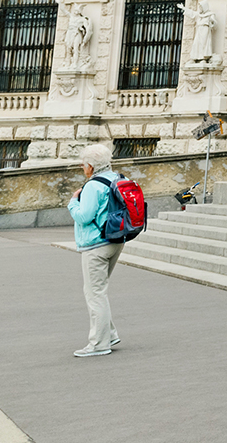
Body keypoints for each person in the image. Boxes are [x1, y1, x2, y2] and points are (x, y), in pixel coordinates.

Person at [68, 144, 125, 356]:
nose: (83, 168)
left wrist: (73, 202)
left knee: (95, 294)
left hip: (96, 244)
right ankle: (109, 334)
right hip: (116, 240)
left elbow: (84, 216)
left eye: (84, 165)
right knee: (96, 290)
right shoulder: (118, 178)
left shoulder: (93, 186)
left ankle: (99, 344)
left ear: (90, 166)